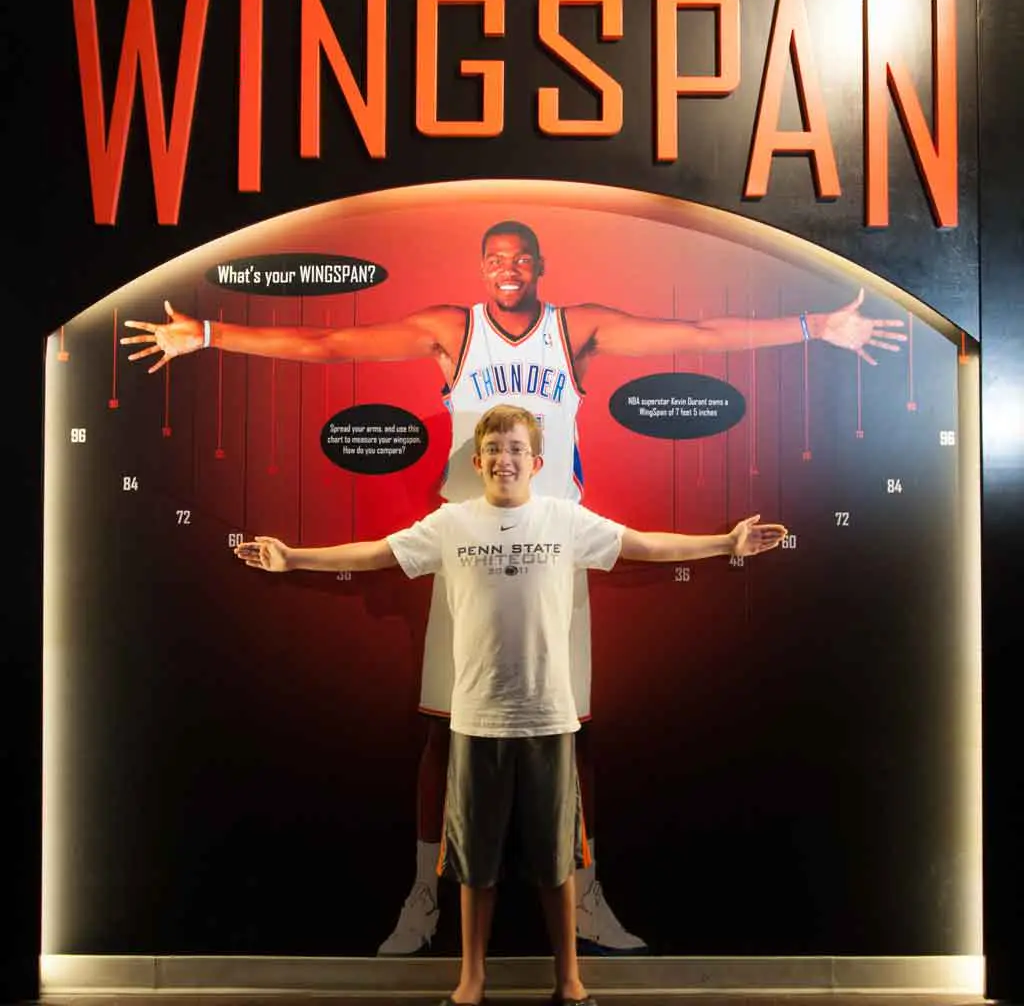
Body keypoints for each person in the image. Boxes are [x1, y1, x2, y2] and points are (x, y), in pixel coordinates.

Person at [123, 220, 904, 954]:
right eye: (495, 258)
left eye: (521, 258)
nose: (508, 270)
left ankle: (585, 891)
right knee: (444, 731)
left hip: (557, 545)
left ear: (541, 268)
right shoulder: (449, 329)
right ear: (480, 269)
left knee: (574, 733)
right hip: (464, 545)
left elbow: (696, 335)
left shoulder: (576, 328)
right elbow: (329, 343)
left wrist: (815, 327)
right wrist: (209, 334)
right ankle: (425, 894)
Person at [233, 404, 789, 1006]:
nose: (505, 458)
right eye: (495, 448)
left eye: (517, 448)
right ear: (477, 462)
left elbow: (644, 545)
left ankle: (570, 982)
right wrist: (293, 557)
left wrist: (726, 543)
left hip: (552, 717)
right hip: (474, 719)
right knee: (475, 863)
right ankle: (470, 982)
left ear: (537, 461)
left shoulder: (565, 519)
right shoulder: (451, 524)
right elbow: (376, 553)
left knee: (557, 861)